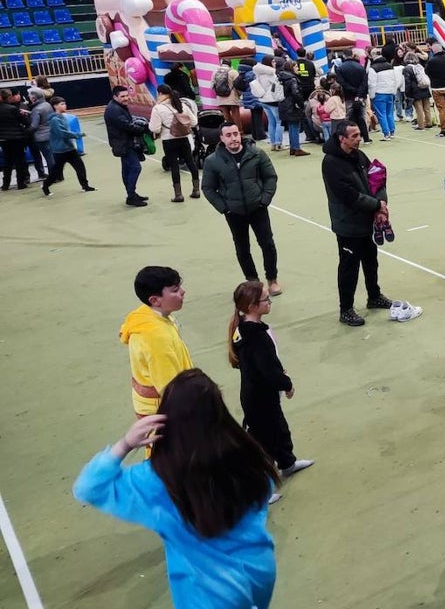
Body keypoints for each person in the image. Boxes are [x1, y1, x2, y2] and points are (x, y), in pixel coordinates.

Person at [72, 370, 279, 608]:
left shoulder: (158, 480)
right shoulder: (248, 457)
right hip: (259, 570)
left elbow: (89, 487)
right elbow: (264, 491)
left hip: (208, 594)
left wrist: (126, 444)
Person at [322, 120, 420, 326]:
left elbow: (377, 178)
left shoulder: (359, 156)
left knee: (370, 259)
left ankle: (374, 296)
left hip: (366, 221)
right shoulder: (331, 163)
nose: (359, 139)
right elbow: (348, 196)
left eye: (359, 134)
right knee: (349, 267)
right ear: (342, 139)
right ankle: (346, 309)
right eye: (354, 136)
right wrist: (377, 205)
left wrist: (381, 204)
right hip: (348, 225)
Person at [228, 280, 314, 483]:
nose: (269, 302)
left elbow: (264, 363)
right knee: (263, 441)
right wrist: (286, 384)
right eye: (265, 299)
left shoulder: (245, 329)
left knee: (279, 430)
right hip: (259, 397)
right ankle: (259, 486)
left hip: (260, 393)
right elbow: (266, 371)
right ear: (252, 306)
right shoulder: (255, 336)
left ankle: (287, 464)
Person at [202, 123, 283, 296]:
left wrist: (265, 199)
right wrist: (224, 208)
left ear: (240, 134)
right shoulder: (212, 161)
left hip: (258, 208)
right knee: (242, 248)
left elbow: (270, 177)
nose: (233, 138)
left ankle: (272, 279)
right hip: (234, 212)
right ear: (222, 139)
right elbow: (208, 188)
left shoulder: (257, 154)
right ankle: (253, 282)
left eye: (235, 134)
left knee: (267, 244)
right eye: (228, 135)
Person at [120, 266, 193, 418]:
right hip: (164, 413)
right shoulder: (156, 339)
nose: (183, 292)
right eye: (175, 290)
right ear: (154, 300)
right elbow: (170, 388)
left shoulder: (144, 314)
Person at [148, 84, 199, 203]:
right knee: (190, 162)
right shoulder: (181, 105)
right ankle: (196, 190)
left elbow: (154, 128)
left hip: (168, 140)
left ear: (160, 93)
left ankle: (178, 194)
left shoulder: (158, 108)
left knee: (174, 166)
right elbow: (194, 121)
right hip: (183, 138)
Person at [104, 85, 149, 207]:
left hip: (124, 142)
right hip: (124, 144)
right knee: (135, 168)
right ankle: (131, 196)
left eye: (126, 95)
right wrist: (144, 129)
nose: (126, 98)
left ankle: (132, 194)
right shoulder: (114, 110)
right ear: (115, 97)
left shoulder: (117, 107)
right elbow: (126, 126)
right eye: (122, 96)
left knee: (127, 169)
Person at [42, 96, 93, 195]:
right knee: (56, 172)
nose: (64, 106)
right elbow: (62, 133)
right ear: (55, 106)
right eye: (62, 104)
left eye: (64, 103)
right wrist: (78, 134)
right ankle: (46, 185)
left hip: (70, 148)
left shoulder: (63, 117)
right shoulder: (54, 120)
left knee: (80, 167)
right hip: (60, 151)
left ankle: (85, 186)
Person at [333, 50, 371, 143]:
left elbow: (342, 82)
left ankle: (348, 138)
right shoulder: (361, 67)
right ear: (352, 55)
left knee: (348, 118)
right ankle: (365, 137)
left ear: (344, 56)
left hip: (348, 96)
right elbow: (364, 83)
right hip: (360, 96)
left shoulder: (340, 68)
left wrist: (352, 89)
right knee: (361, 117)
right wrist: (359, 93)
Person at [0, 87, 29, 190]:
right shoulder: (13, 109)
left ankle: (5, 185)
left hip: (3, 139)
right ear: (9, 97)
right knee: (19, 161)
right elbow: (25, 122)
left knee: (7, 162)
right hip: (16, 138)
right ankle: (21, 183)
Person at [25, 86, 53, 181]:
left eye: (29, 96)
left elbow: (34, 126)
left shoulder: (36, 109)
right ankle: (57, 174)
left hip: (41, 136)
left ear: (33, 97)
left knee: (48, 157)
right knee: (51, 156)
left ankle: (54, 175)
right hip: (50, 133)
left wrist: (26, 132)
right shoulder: (47, 105)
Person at [369, 50, 398, 140]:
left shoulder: (373, 68)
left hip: (379, 93)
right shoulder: (390, 65)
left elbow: (372, 83)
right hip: (390, 92)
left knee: (381, 115)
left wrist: (371, 95)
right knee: (390, 113)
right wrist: (393, 91)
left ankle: (386, 134)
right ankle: (392, 131)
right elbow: (394, 80)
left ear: (373, 55)